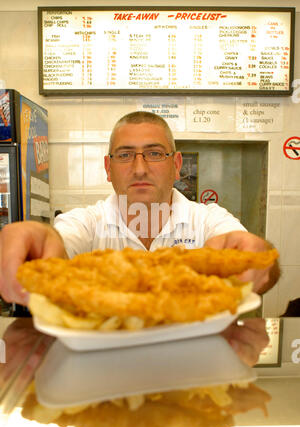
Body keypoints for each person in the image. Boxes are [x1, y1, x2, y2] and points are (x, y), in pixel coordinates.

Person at [0, 111, 279, 366]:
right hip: (99, 370)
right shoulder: (88, 222)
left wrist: (258, 260)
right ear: (108, 168)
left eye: (155, 154)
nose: (140, 168)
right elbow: (58, 242)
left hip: (196, 366)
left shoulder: (208, 219)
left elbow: (258, 261)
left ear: (177, 165)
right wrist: (37, 244)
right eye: (124, 155)